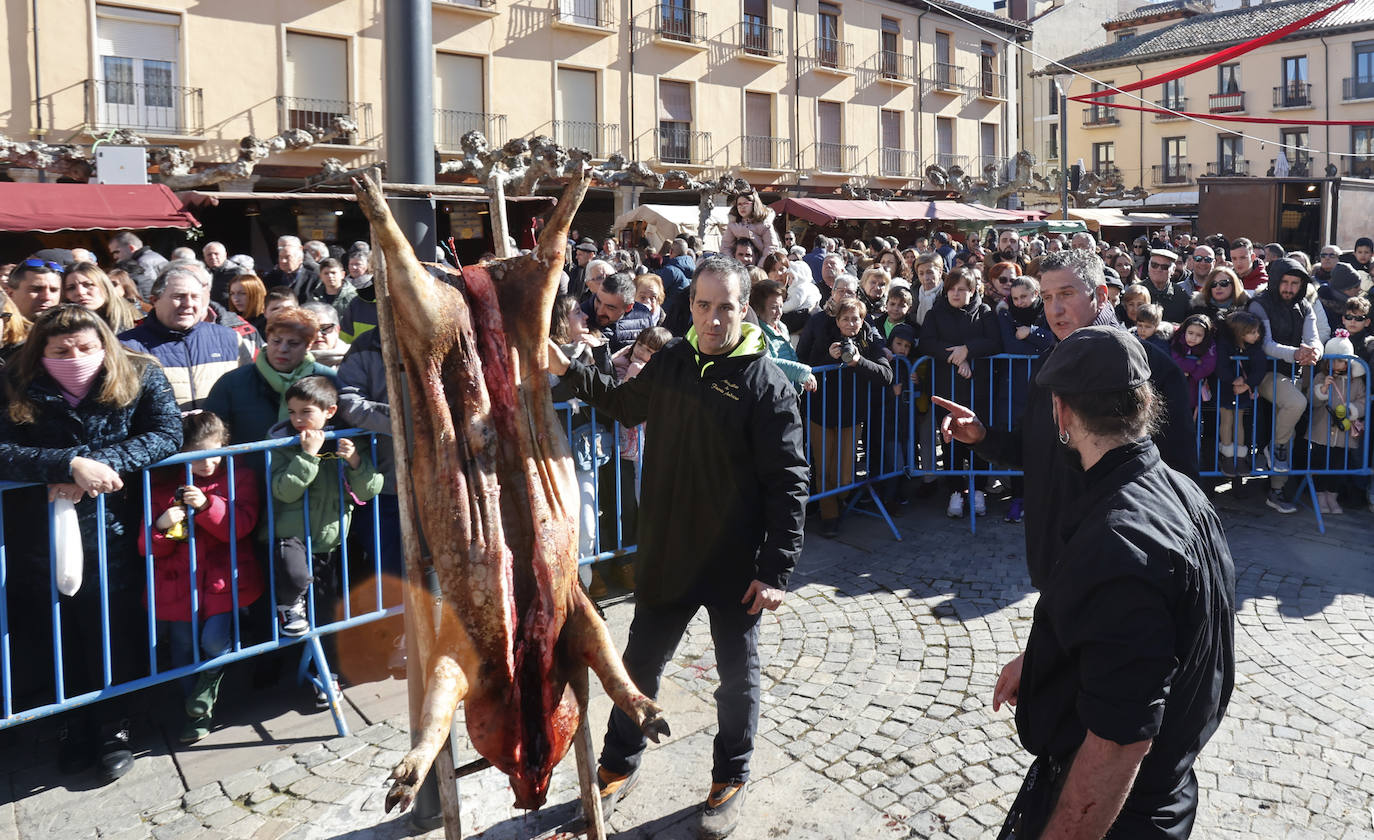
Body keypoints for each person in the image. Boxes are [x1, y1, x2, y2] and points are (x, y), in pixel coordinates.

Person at [547, 255, 807, 840]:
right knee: (639, 666)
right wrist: (566, 369)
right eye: (704, 305)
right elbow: (622, 403)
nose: (714, 319)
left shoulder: (766, 384)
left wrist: (775, 570)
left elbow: (789, 481)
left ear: (746, 310)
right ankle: (618, 763)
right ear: (689, 307)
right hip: (667, 550)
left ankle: (731, 778)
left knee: (737, 678)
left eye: (727, 307)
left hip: (734, 564)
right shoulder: (671, 361)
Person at [990, 325, 1234, 840]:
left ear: (1062, 413)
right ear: (1145, 402)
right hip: (1160, 789)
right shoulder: (1180, 490)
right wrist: (1040, 660)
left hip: (1123, 811)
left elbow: (1118, 740)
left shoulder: (1120, 542)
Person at [934, 249, 1197, 591]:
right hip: (1052, 561)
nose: (1054, 309)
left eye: (1067, 295)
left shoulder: (1151, 370)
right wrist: (982, 436)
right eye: (1046, 297)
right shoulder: (1050, 365)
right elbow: (1032, 451)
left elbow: (1179, 478)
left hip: (1124, 572)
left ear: (1101, 296)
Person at [0, 304, 181, 782]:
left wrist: (95, 467)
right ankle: (68, 726)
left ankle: (113, 726)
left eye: (85, 348)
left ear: (104, 344)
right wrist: (64, 465)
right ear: (41, 351)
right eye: (61, 351)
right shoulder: (12, 379)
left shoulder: (141, 373)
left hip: (114, 526)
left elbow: (165, 433)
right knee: (55, 632)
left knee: (113, 626)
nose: (75, 357)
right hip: (37, 533)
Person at [139, 411, 262, 744]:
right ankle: (195, 712)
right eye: (197, 456)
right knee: (181, 647)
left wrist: (208, 505)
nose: (206, 464)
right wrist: (161, 527)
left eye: (213, 453)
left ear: (224, 444)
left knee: (212, 641)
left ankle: (205, 691)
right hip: (177, 586)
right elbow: (146, 546)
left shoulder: (241, 476)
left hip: (224, 582)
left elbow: (240, 527)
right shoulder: (163, 485)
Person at [267, 375, 382, 638]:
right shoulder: (282, 442)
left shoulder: (348, 439)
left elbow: (368, 490)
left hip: (332, 537)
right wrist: (307, 456)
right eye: (292, 412)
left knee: (326, 608)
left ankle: (325, 667)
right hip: (292, 532)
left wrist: (354, 460)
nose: (297, 419)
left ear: (330, 411)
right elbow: (284, 491)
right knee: (295, 576)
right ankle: (290, 608)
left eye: (306, 412)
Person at [920, 267, 1001, 518]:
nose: (956, 293)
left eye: (962, 289)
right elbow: (927, 342)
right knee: (950, 439)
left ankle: (978, 490)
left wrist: (968, 349)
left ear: (972, 290)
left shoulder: (985, 312)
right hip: (947, 388)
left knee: (979, 439)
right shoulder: (935, 313)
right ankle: (955, 490)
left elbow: (994, 341)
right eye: (952, 289)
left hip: (979, 389)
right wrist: (956, 357)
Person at [118, 263, 252, 410]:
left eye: (195, 297)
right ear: (154, 300)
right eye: (179, 296)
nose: (188, 304)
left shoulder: (230, 339)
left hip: (221, 432)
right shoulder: (126, 347)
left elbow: (249, 395)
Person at [1248, 257, 1322, 511]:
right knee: (1295, 405)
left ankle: (1277, 490)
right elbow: (1266, 344)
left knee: (1289, 431)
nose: (1290, 288)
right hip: (1266, 373)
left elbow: (1314, 338)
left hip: (1296, 373)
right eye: (1285, 282)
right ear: (1276, 281)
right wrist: (1296, 353)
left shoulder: (1305, 306)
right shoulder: (1259, 304)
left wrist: (1314, 353)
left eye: (1295, 283)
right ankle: (1273, 448)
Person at [203, 307, 336, 444]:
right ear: (267, 338)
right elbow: (211, 434)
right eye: (276, 341)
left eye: (293, 343)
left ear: (308, 346)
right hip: (249, 464)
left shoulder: (328, 379)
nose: (283, 349)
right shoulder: (232, 383)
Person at [1303, 330, 1366, 514]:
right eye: (1331, 360)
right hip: (1321, 433)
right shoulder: (1322, 377)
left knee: (1338, 468)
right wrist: (1322, 389)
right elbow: (1311, 401)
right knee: (1321, 465)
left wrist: (1351, 409)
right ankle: (1321, 497)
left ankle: (1332, 497)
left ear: (1348, 362)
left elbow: (1363, 402)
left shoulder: (1357, 382)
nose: (1335, 364)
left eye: (1340, 360)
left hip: (1343, 435)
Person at [1215, 310, 1267, 478]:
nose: (1257, 335)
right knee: (1227, 419)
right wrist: (1232, 380)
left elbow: (1260, 368)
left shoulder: (1254, 348)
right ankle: (1227, 454)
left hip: (1243, 390)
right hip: (1225, 388)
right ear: (1240, 333)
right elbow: (1220, 366)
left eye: (1257, 331)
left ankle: (1241, 455)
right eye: (1252, 332)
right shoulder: (1224, 344)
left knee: (1239, 421)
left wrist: (1247, 384)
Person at [749, 279, 815, 394]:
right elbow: (766, 362)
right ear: (759, 308)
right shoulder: (756, 332)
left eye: (781, 306)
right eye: (774, 307)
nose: (779, 312)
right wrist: (801, 373)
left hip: (789, 393)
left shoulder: (782, 326)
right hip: (771, 394)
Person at [63, 261, 141, 334]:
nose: (80, 292)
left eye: (88, 284)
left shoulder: (136, 322)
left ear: (105, 286)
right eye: (71, 288)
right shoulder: (64, 325)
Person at [1170, 314, 1217, 417]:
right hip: (1177, 385)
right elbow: (1176, 360)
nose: (1193, 338)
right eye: (1190, 333)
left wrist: (1192, 374)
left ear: (1205, 336)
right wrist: (1196, 363)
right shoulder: (1178, 340)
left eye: (1199, 335)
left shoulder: (1209, 345)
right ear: (1185, 331)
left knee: (1191, 416)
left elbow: (1208, 366)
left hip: (1195, 385)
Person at [107, 232, 169, 300]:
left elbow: (150, 290)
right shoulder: (153, 255)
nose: (114, 256)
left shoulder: (143, 262)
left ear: (131, 248)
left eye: (116, 252)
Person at [262, 235, 323, 302]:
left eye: (287, 257)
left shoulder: (314, 279)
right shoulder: (270, 278)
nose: (283, 261)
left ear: (300, 258)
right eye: (280, 257)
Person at [9, 258, 64, 324]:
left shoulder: (72, 330)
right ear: (10, 294)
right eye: (36, 289)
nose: (47, 297)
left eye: (53, 290)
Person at [301, 300, 350, 367]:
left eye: (325, 328)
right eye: (311, 329)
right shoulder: (288, 363)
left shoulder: (357, 360)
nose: (318, 335)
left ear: (337, 330)